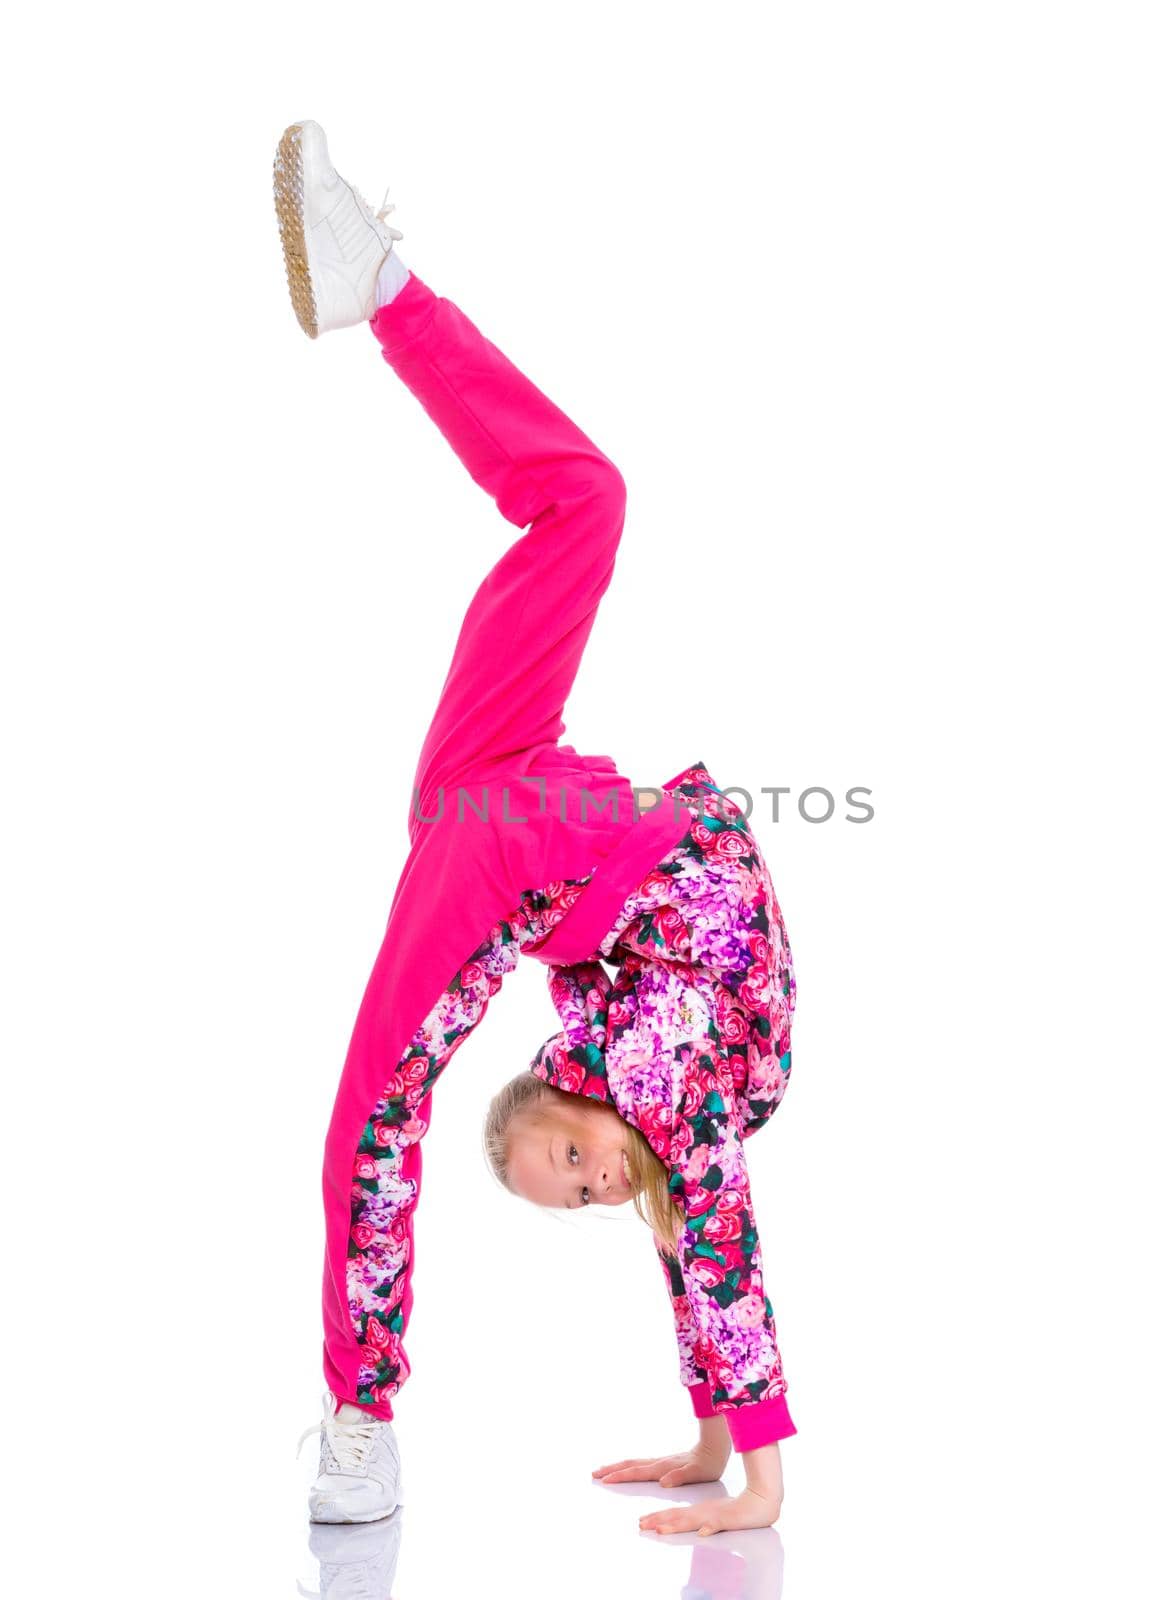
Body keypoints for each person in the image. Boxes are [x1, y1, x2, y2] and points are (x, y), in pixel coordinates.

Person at [278, 121, 798, 1537]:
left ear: (564, 1093)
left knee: (375, 1118)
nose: (591, 1178)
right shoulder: (677, 1089)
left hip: (499, 854)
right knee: (587, 500)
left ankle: (357, 1415)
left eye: (565, 1177)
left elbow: (698, 1235)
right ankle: (381, 290)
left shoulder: (635, 1058)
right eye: (581, 1180)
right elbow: (713, 1245)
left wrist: (732, 1454)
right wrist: (739, 1464)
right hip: (515, 767)